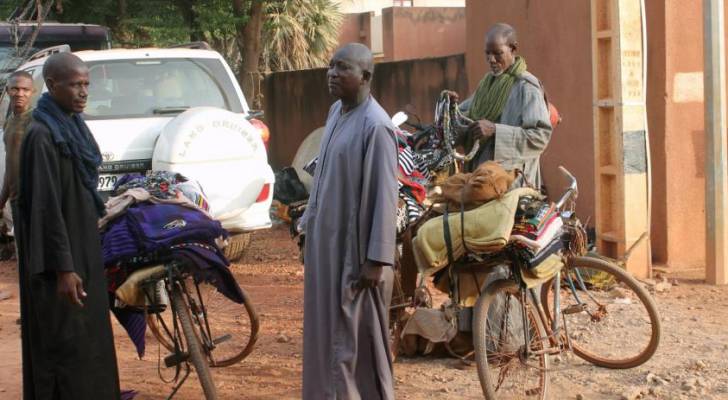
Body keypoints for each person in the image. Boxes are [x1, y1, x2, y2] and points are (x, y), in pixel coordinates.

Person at [16, 52, 120, 399]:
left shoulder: (70, 126)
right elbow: (45, 208)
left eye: (86, 84)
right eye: (75, 85)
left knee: (90, 343)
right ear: (52, 85)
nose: (83, 92)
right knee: (64, 347)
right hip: (58, 264)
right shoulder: (42, 135)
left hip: (81, 249)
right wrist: (64, 268)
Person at [300, 43, 398, 400]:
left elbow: (385, 197)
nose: (332, 74)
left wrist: (376, 259)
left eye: (343, 68)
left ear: (365, 77)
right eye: (330, 67)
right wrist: (307, 230)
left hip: (356, 259)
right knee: (326, 339)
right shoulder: (336, 113)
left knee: (353, 347)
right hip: (327, 251)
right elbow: (323, 181)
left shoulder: (377, 127)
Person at [449, 23, 552, 188]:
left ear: (513, 49)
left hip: (514, 183)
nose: (491, 59)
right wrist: (450, 109)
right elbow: (465, 117)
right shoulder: (486, 85)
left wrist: (495, 130)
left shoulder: (526, 88)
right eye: (487, 53)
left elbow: (540, 137)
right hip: (480, 177)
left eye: (498, 53)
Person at [0, 70, 34, 238]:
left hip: (33, 200)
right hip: (16, 200)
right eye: (15, 89)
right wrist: (2, 200)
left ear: (32, 91)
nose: (20, 94)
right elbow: (10, 165)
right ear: (7, 91)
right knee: (22, 250)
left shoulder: (35, 121)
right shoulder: (9, 122)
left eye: (25, 89)